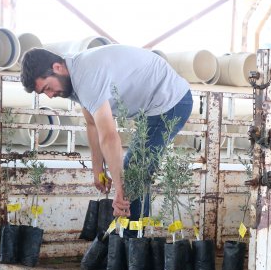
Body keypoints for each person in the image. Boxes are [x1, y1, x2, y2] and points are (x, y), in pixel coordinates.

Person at [21, 45, 193, 221]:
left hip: (171, 101)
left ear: (57, 67)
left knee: (134, 170)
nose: (50, 96)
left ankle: (130, 238)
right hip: (151, 105)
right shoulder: (71, 78)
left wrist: (119, 189)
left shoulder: (86, 77)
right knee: (136, 169)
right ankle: (133, 236)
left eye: (47, 88)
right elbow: (92, 124)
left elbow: (110, 137)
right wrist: (97, 168)